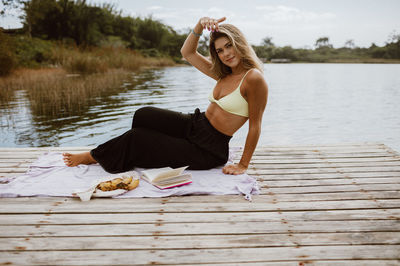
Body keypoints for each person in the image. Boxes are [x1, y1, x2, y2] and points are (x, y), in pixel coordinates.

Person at [63, 16, 268, 175]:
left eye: (229, 45)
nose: (226, 54)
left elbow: (255, 125)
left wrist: (243, 164)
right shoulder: (223, 73)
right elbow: (187, 53)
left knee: (137, 138)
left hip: (209, 149)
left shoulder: (253, 78)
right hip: (196, 124)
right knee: (144, 115)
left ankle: (93, 156)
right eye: (220, 50)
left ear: (239, 43)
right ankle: (143, 152)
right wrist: (199, 26)